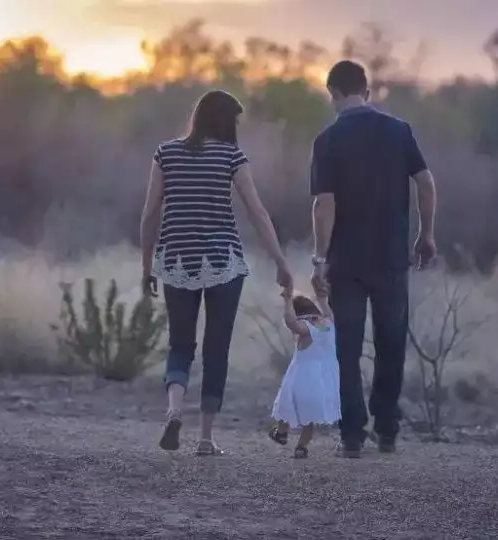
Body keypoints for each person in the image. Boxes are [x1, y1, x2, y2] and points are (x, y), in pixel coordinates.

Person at [140, 90, 294, 456]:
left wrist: (147, 266)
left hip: (176, 261)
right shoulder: (231, 156)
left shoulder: (166, 153)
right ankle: (206, 438)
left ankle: (174, 411)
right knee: (216, 349)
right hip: (223, 262)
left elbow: (149, 214)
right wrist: (281, 261)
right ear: (225, 121)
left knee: (180, 344)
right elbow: (257, 213)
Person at [309, 60, 437, 458]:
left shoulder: (328, 139)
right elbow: (426, 183)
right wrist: (425, 234)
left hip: (346, 262)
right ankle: (387, 429)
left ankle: (352, 435)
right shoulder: (399, 131)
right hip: (391, 257)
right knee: (391, 343)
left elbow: (323, 205)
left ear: (333, 93)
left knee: (345, 348)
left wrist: (319, 258)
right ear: (366, 90)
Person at [268, 290, 340, 459]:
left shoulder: (306, 328)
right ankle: (302, 446)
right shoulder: (327, 324)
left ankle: (282, 432)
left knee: (286, 404)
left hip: (301, 376)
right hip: (324, 378)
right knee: (310, 417)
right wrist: (322, 300)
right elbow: (328, 314)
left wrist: (286, 302)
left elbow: (291, 323)